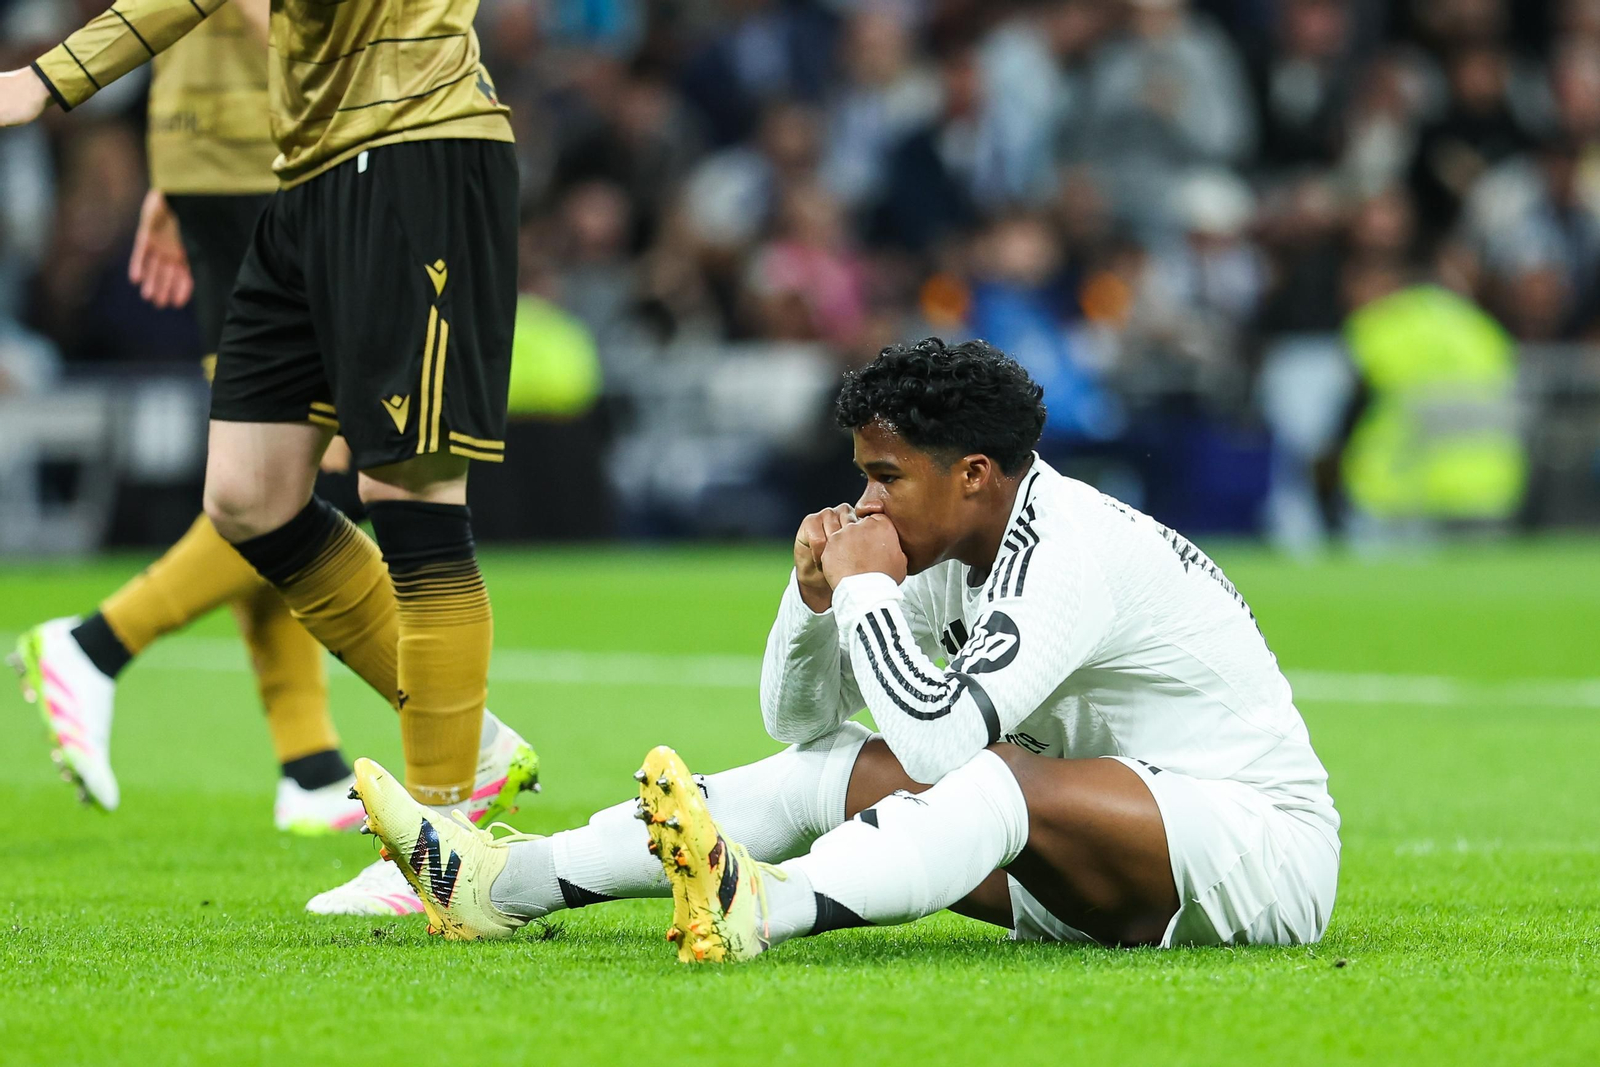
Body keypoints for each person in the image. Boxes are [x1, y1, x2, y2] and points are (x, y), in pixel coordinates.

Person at [349, 337, 1341, 958]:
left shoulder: (1072, 548)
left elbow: (944, 751)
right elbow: (799, 721)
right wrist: (815, 596)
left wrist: (864, 584)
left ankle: (764, 909)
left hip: (1257, 856)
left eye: (885, 478)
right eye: (861, 476)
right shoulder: (946, 539)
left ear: (975, 474)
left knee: (995, 777)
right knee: (832, 767)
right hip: (1104, 854)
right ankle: (495, 884)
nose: (865, 501)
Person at [0, 0, 539, 914]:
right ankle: (457, 735)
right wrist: (181, 172)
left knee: (407, 486)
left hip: (417, 144)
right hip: (306, 169)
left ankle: (444, 848)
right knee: (249, 493)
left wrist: (48, 78)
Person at [8, 0, 371, 837]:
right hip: (277, 156)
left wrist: (176, 168)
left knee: (271, 467)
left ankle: (308, 763)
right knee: (307, 468)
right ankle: (97, 643)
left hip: (216, 150)